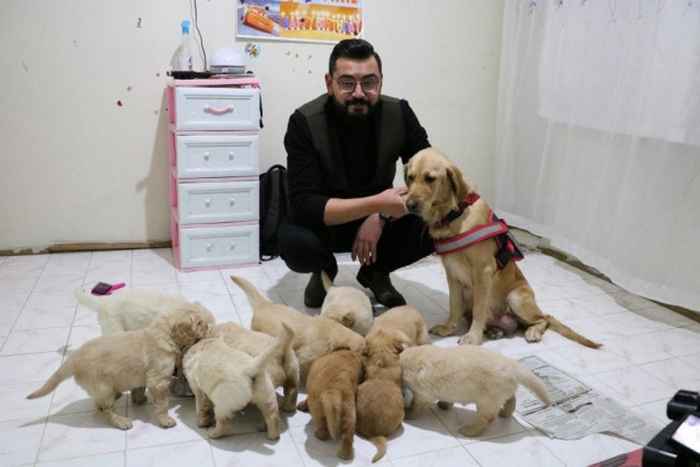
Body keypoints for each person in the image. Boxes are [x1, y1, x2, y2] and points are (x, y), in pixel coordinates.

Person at [279, 38, 434, 308]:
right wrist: (378, 204)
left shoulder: (399, 113)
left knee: (436, 218)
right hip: (326, 223)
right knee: (293, 242)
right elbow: (305, 204)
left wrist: (380, 215)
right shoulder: (304, 122)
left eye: (369, 82)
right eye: (347, 83)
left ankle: (376, 272)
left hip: (380, 222)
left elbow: (430, 175)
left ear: (381, 81)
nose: (359, 92)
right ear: (329, 83)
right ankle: (324, 269)